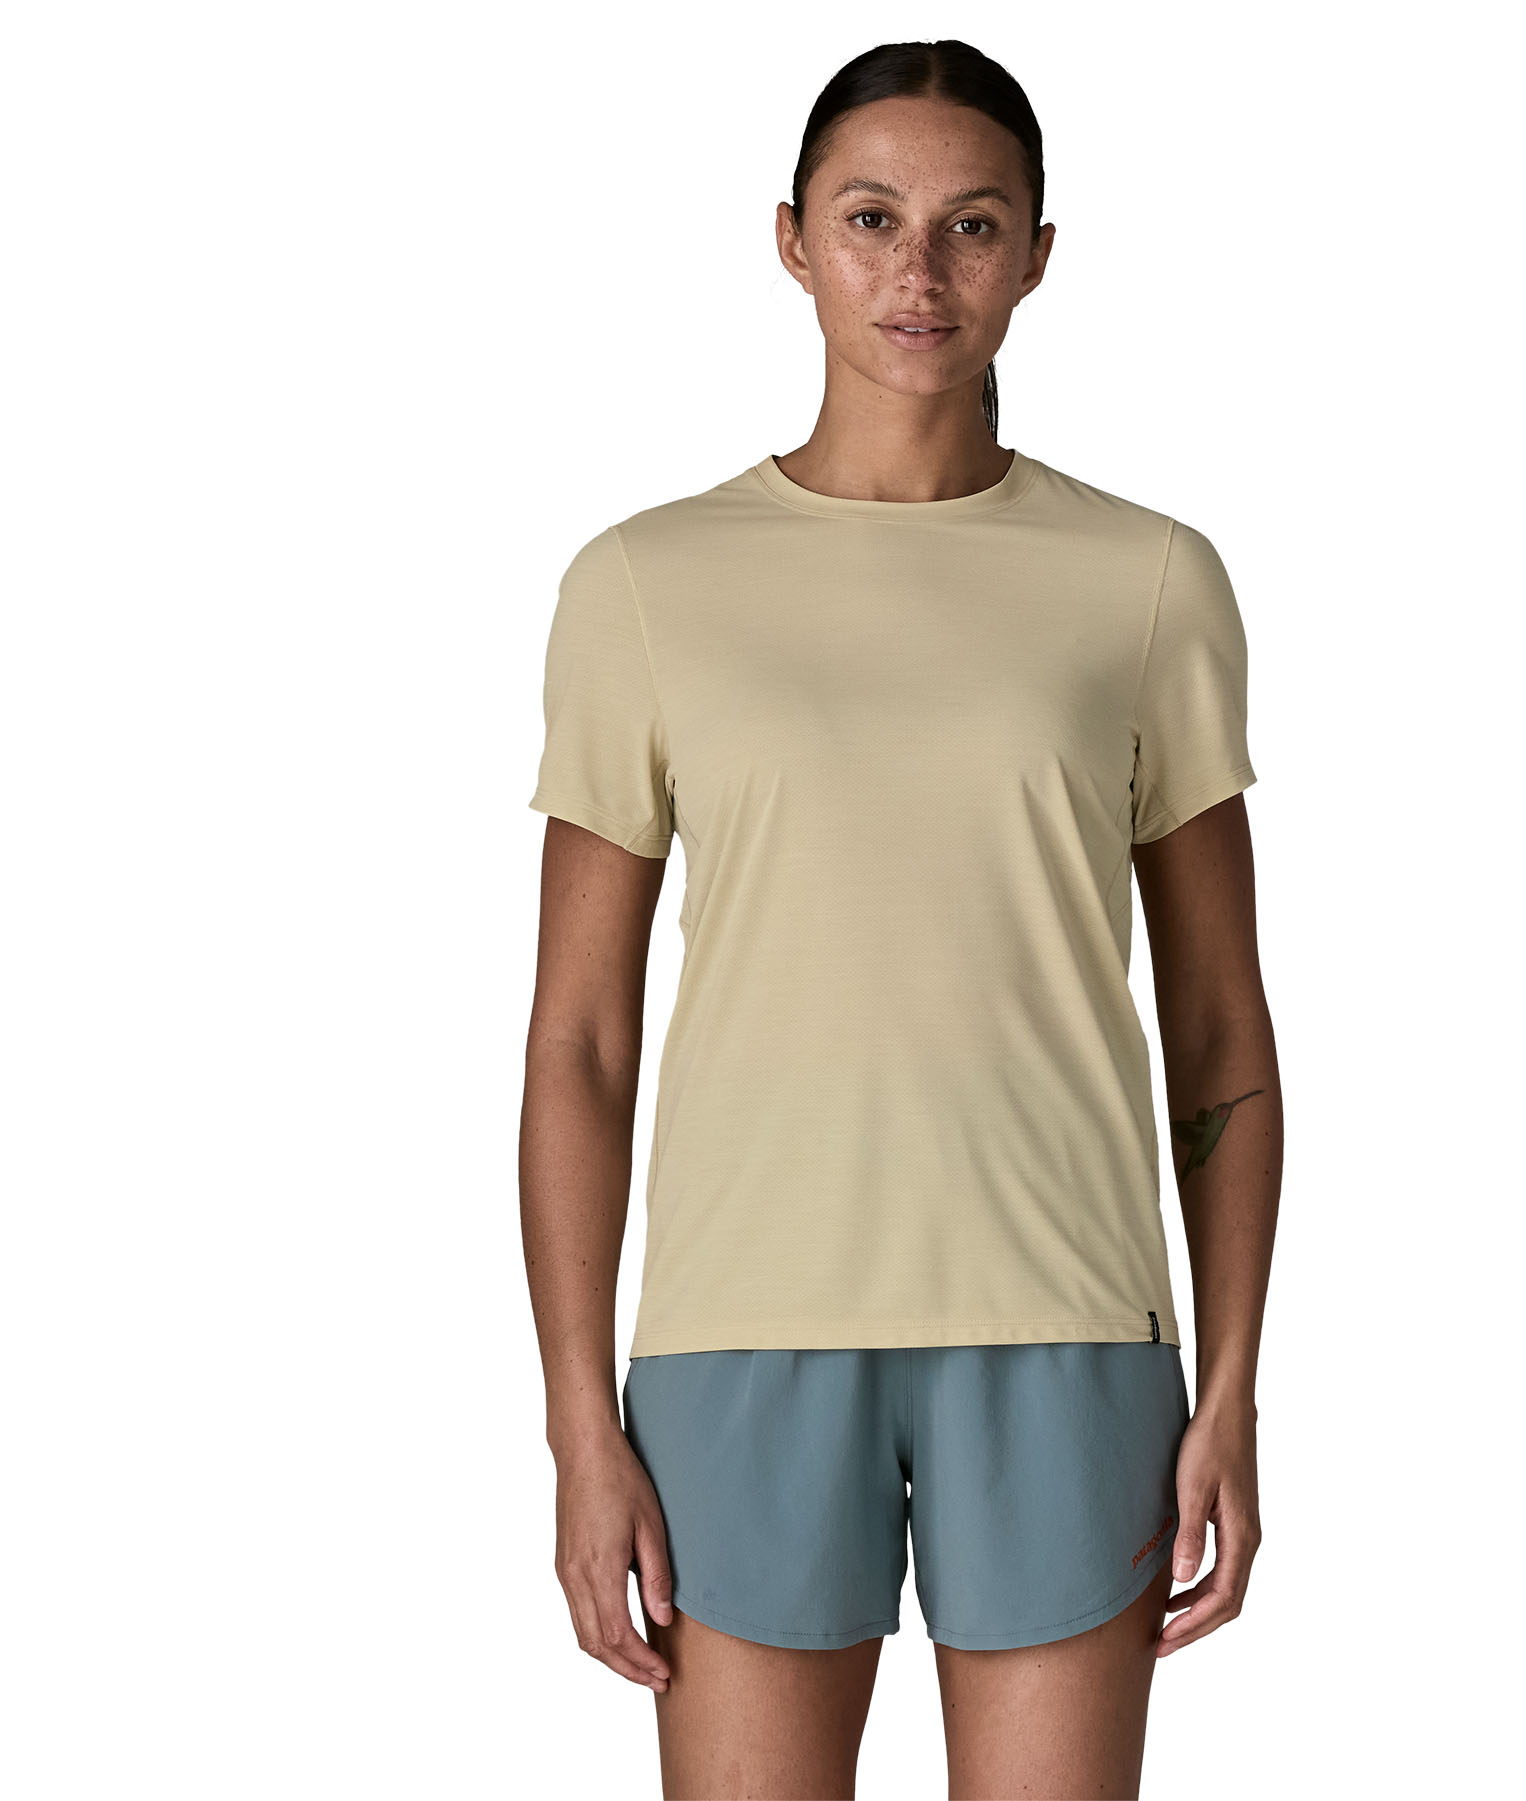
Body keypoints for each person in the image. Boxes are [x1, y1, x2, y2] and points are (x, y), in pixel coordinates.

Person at [518, 39, 1283, 1800]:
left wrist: (1233, 1384)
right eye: (871, 219)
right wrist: (575, 1422)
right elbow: (580, 1039)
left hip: (1068, 1325)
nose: (919, 271)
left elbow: (1222, 1029)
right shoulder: (645, 584)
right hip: (737, 1333)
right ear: (792, 240)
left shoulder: (1151, 580)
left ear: (1037, 255)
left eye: (972, 224)